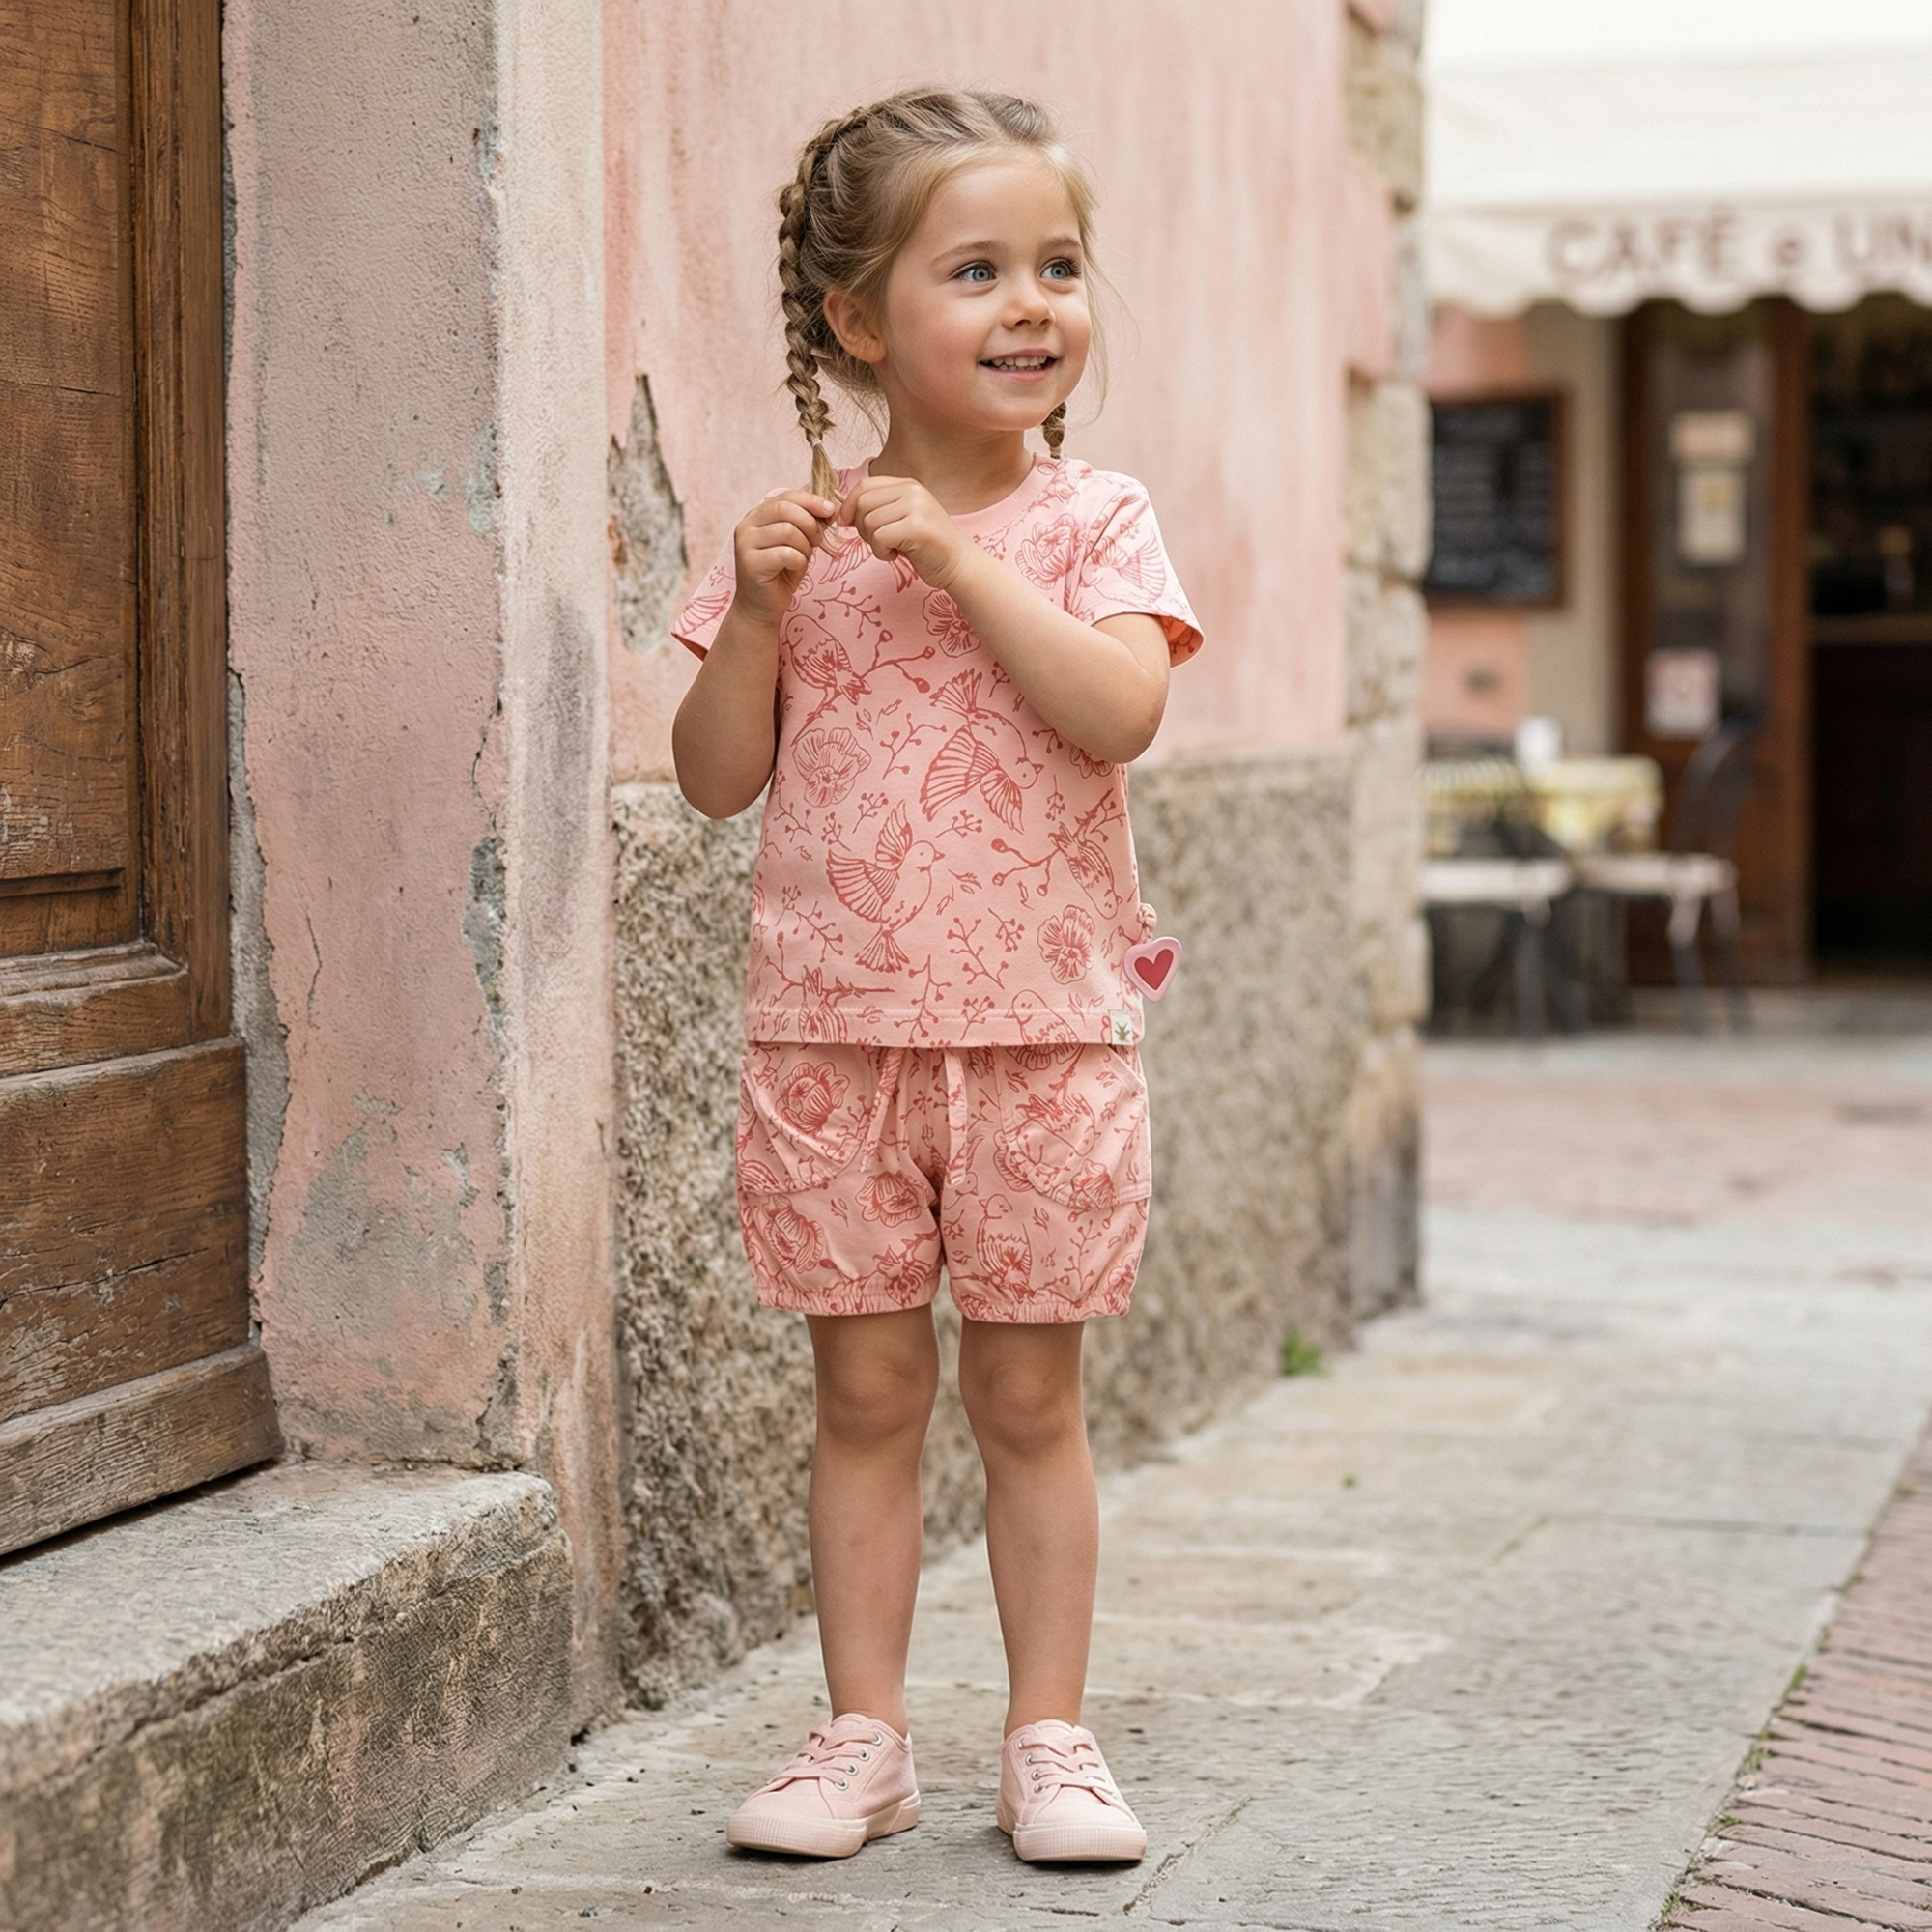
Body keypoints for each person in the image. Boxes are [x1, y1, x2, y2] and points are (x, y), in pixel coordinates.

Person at [670, 87, 1201, 1867]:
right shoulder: (801, 545)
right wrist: (755, 615)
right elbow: (714, 779)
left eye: (1058, 265)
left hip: (1046, 1038)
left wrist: (965, 560)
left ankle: (1050, 1738)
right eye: (975, 271)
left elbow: (1119, 710)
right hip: (835, 1042)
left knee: (1028, 1401)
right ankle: (866, 1738)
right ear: (857, 318)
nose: (1032, 303)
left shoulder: (1097, 520)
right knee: (868, 1395)